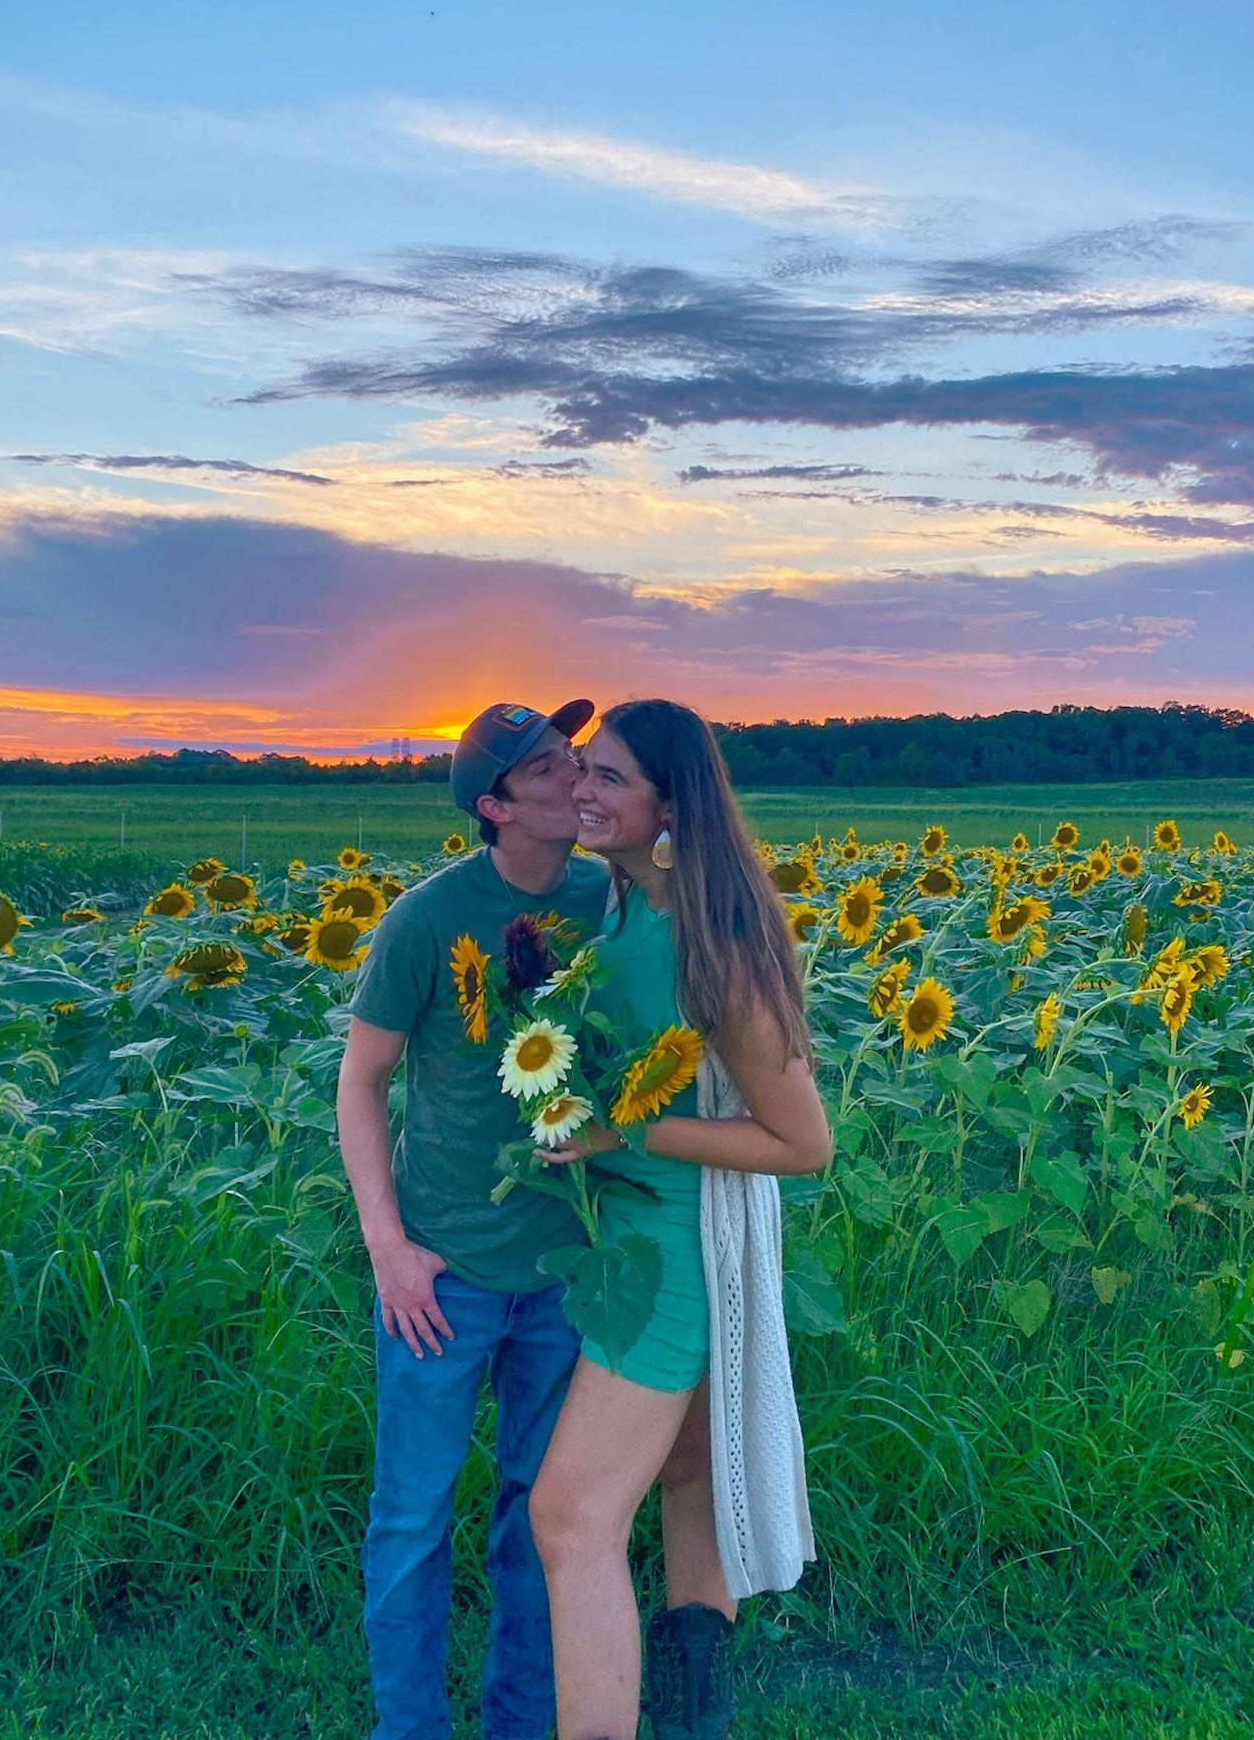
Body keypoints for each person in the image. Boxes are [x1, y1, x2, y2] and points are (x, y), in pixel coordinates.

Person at [527, 699, 833, 1740]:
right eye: (581, 772)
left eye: (607, 777)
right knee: (687, 1470)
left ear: (669, 807)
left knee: (568, 1518)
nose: (582, 790)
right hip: (630, 1237)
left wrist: (619, 1133)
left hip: (672, 1258)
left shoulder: (715, 946)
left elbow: (801, 1143)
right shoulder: (618, 908)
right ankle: (695, 1707)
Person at [336, 696, 614, 1740]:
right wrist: (389, 1250)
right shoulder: (424, 919)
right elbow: (360, 1082)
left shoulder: (610, 898)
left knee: (538, 1517)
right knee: (410, 1520)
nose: (574, 777)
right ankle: (407, 1729)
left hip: (565, 1273)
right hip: (441, 1275)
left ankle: (518, 1720)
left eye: (574, 756)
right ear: (494, 805)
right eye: (547, 768)